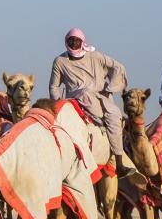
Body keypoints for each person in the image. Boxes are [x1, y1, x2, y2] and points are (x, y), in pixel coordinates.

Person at [49, 27, 130, 167]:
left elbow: (118, 67)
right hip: (75, 99)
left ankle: (119, 162)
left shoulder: (95, 56)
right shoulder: (60, 61)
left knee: (115, 116)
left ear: (82, 42)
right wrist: (58, 103)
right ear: (66, 41)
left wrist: (109, 88)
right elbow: (53, 86)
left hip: (99, 98)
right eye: (71, 40)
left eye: (77, 40)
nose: (74, 43)